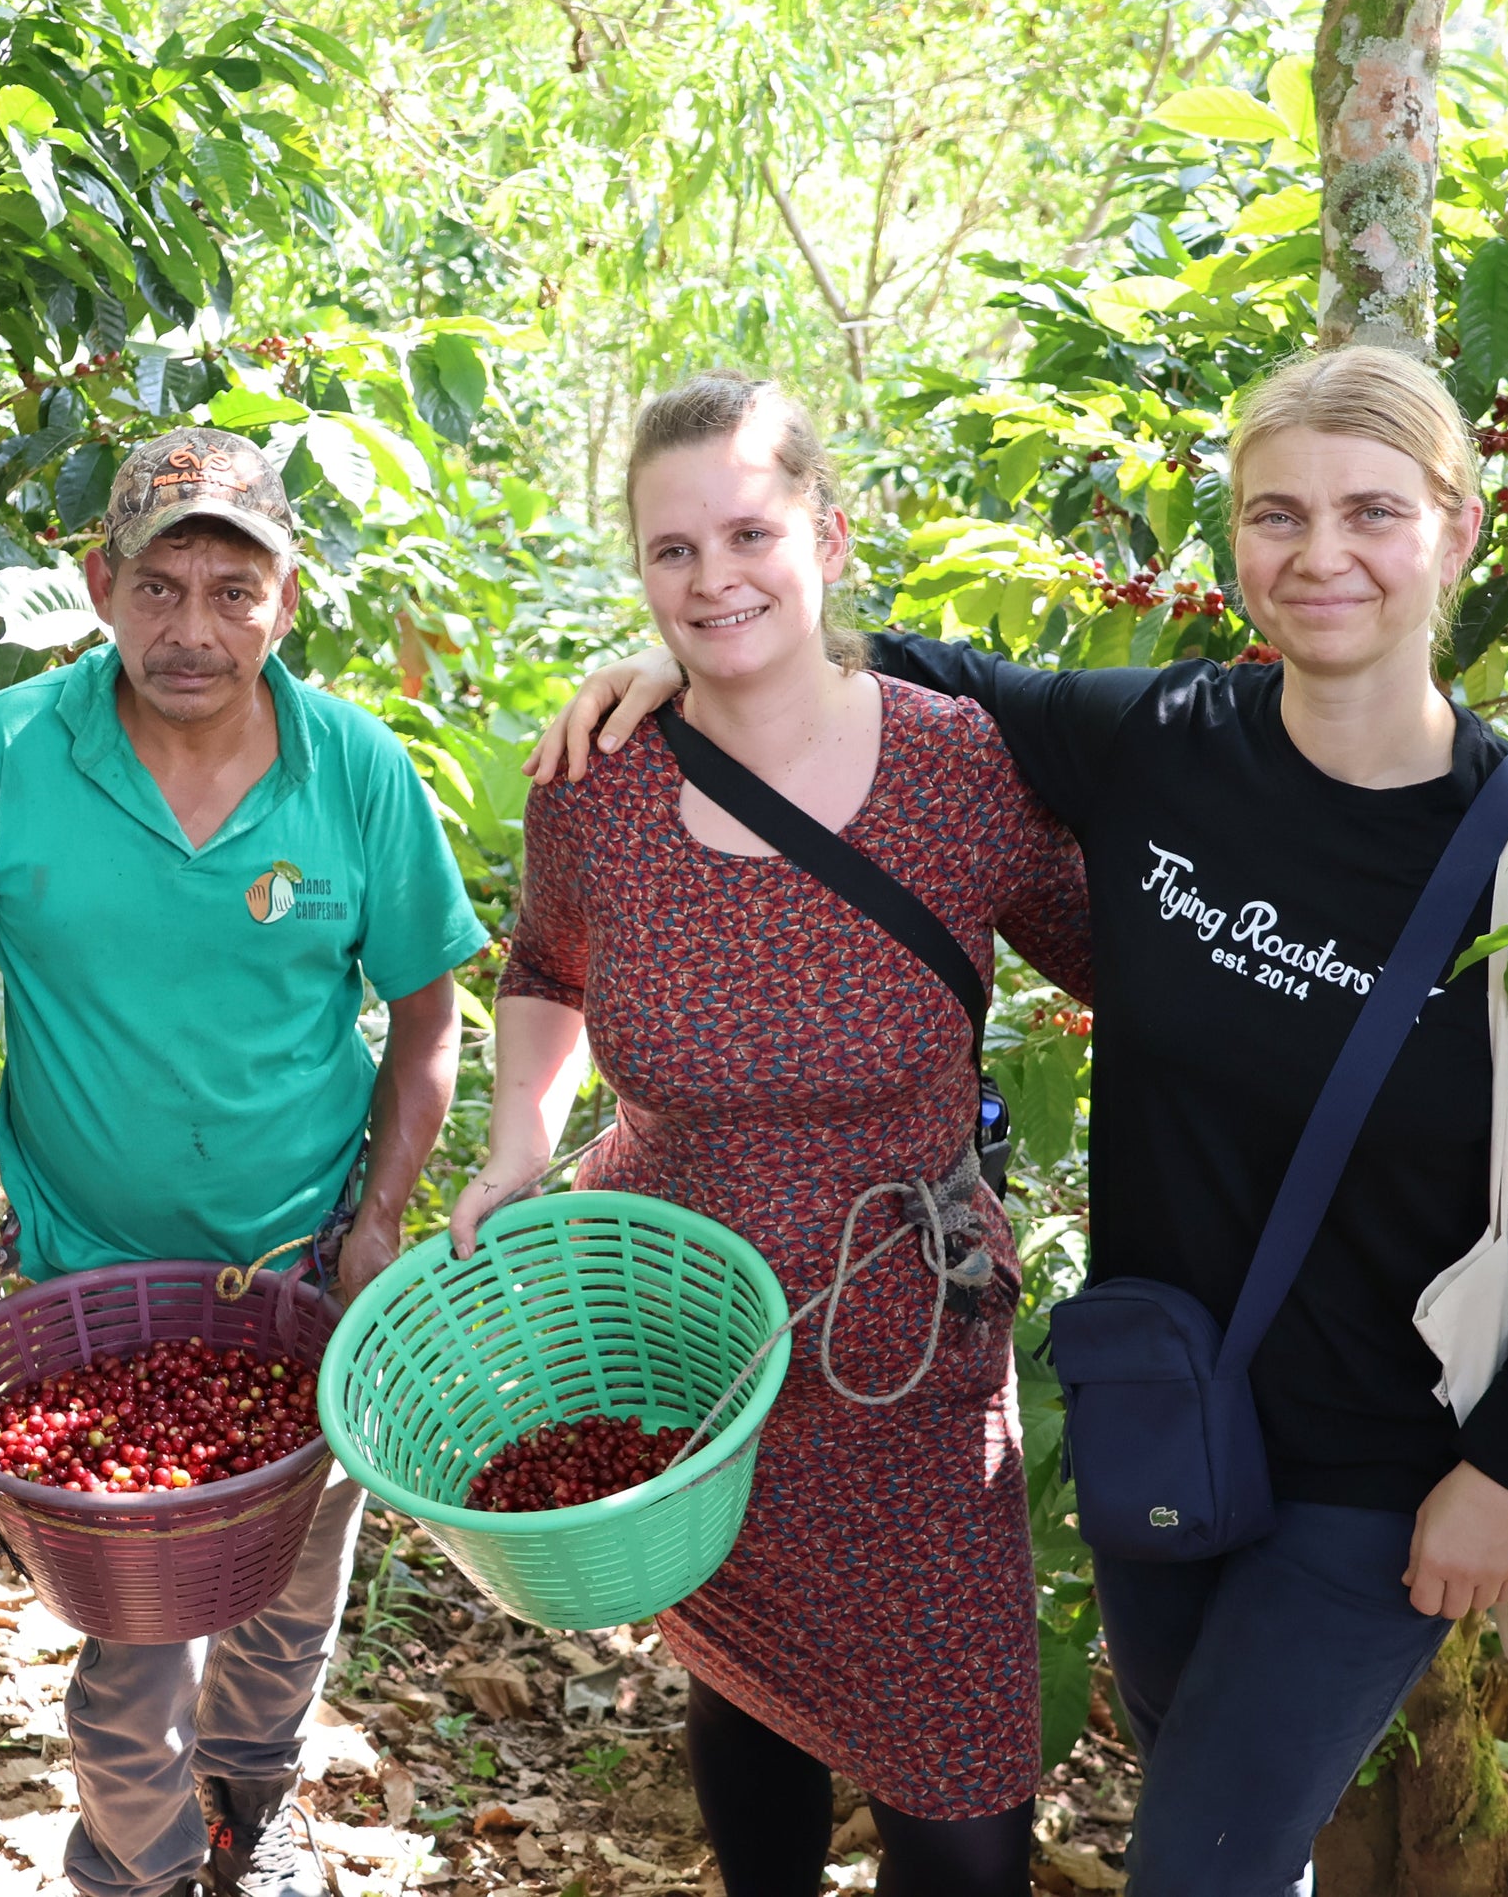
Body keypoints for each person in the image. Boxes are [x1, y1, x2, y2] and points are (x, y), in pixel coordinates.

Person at [530, 345, 1508, 1893]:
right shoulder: (1158, 742)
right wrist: (676, 673)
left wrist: (1507, 1462)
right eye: (1276, 513)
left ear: (1458, 529)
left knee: (1197, 1862)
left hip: (1382, 1460)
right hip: (1162, 1406)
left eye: (1370, 510)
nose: (1319, 554)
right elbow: (884, 674)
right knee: (1215, 1806)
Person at [449, 373, 1092, 1897]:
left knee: (963, 1813)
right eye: (671, 550)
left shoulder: (955, 767)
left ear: (828, 535)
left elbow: (1124, 963)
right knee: (749, 1695)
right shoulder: (596, 783)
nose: (711, 577)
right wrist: (517, 1143)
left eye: (748, 532)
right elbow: (545, 967)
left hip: (904, 1358)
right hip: (684, 1349)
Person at [0, 429, 487, 1897]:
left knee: (290, 1590)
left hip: (300, 1263)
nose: (193, 630)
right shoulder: (10, 751)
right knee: (133, 1628)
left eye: (234, 590)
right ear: (100, 586)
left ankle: (248, 1802)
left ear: (285, 601)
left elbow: (429, 1015)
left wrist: (379, 1220)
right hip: (91, 1278)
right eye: (159, 587)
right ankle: (138, 1856)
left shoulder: (354, 767)